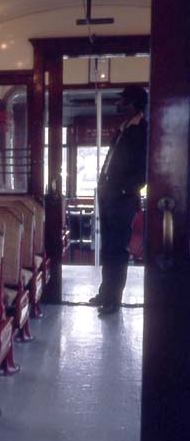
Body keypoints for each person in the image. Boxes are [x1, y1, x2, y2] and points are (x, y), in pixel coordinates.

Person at [89, 84, 148, 315]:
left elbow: (144, 168)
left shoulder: (141, 130)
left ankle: (114, 300)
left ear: (134, 104)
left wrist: (124, 189)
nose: (119, 104)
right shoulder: (123, 129)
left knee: (118, 249)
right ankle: (105, 293)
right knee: (108, 248)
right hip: (109, 194)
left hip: (123, 198)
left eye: (123, 101)